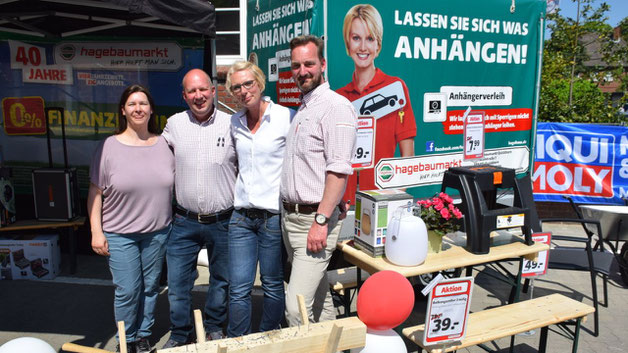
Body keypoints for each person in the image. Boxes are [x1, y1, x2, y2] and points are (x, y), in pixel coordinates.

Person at [88, 84, 174, 353]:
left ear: (151, 110)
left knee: (150, 288)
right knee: (127, 290)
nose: (138, 109)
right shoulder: (108, 148)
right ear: (123, 111)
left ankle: (143, 335)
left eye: (143, 104)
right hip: (119, 233)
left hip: (157, 232)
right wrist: (96, 232)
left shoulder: (164, 145)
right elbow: (95, 192)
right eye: (132, 104)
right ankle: (125, 339)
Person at [281, 35, 357, 325]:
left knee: (295, 307)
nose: (303, 71)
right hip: (293, 220)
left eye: (309, 64)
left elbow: (338, 171)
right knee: (318, 300)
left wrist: (321, 222)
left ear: (322, 64)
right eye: (297, 65)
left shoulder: (335, 106)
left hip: (314, 222)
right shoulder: (305, 107)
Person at [161, 69, 237, 348]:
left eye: (203, 89)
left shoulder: (232, 124)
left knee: (222, 281)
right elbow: (155, 161)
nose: (198, 96)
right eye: (192, 91)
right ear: (184, 96)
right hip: (184, 221)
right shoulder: (173, 125)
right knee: (178, 285)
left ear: (213, 90)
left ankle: (215, 326)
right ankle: (180, 333)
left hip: (224, 220)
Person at [225, 61, 295, 336]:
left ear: (260, 83)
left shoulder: (285, 117)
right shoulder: (235, 121)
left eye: (248, 84)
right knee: (239, 287)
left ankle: (269, 337)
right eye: (236, 87)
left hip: (272, 217)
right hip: (241, 218)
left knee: (272, 283)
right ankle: (238, 340)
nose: (243, 91)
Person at [336, 4, 417, 204]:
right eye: (356, 38)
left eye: (370, 39)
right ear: (348, 43)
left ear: (378, 45)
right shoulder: (339, 98)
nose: (363, 47)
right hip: (343, 203)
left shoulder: (395, 89)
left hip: (380, 199)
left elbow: (407, 154)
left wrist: (394, 196)